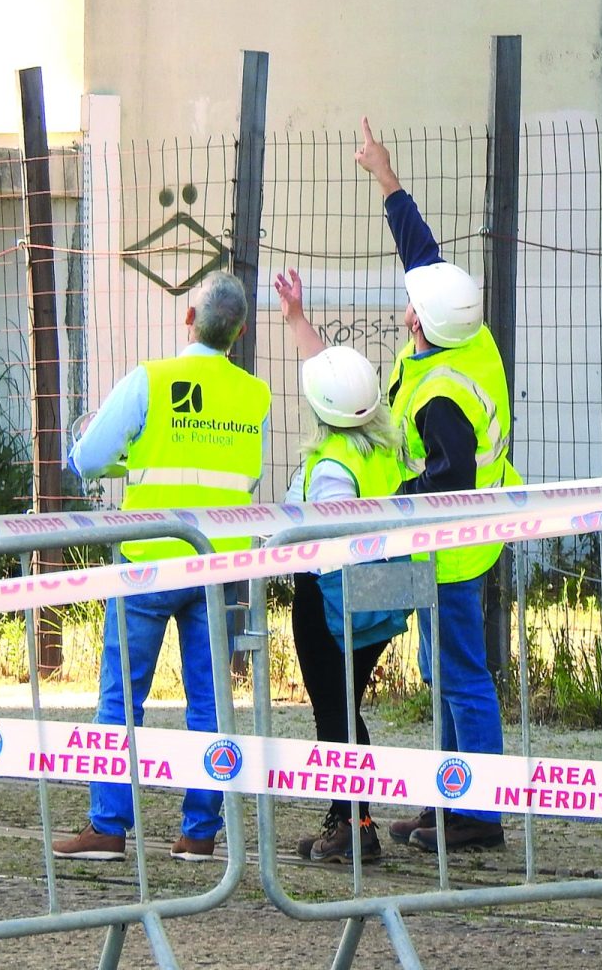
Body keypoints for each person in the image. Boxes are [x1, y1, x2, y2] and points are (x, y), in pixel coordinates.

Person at [52, 271, 272, 863]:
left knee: (120, 700)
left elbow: (87, 456)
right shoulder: (255, 396)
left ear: (188, 319)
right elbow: (246, 474)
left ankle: (107, 825)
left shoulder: (151, 380)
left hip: (147, 561)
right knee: (211, 702)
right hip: (218, 563)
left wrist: (118, 460)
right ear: (240, 332)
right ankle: (200, 833)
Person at [355, 118, 517, 853]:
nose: (409, 298)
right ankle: (450, 799)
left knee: (460, 677)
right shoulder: (465, 334)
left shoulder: (443, 393)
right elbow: (426, 256)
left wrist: (390, 503)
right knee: (444, 672)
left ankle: (476, 815)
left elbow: (445, 474)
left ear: (419, 323)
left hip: (451, 549)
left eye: (412, 301)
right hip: (450, 544)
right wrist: (387, 181)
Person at [273, 267, 410, 865]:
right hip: (386, 589)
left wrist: (280, 541)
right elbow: (336, 380)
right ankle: (351, 820)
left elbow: (325, 536)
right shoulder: (385, 440)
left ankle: (352, 827)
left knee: (333, 710)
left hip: (330, 598)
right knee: (345, 705)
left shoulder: (330, 465)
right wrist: (298, 320)